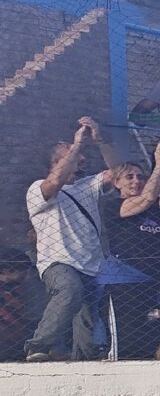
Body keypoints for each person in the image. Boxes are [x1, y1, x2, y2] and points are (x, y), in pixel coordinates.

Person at [24, 117, 114, 362]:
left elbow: (117, 172)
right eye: (75, 159)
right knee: (69, 289)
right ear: (56, 162)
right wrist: (76, 145)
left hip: (90, 264)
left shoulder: (87, 186)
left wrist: (99, 140)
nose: (81, 161)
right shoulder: (37, 189)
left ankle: (83, 359)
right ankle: (39, 345)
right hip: (57, 262)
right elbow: (54, 183)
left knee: (85, 316)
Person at [100, 137, 160, 359]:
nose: (136, 181)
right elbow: (147, 197)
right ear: (117, 183)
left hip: (159, 276)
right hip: (126, 280)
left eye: (140, 177)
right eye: (129, 177)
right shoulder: (114, 206)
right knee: (131, 338)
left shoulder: (152, 207)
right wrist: (159, 163)